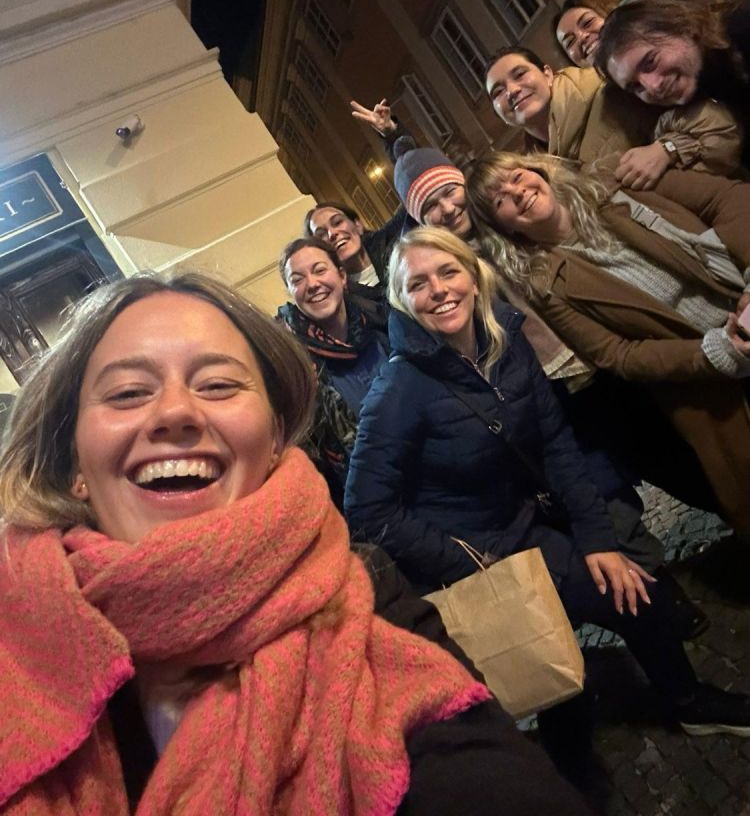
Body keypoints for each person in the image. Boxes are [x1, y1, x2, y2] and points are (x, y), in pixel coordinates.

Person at [0, 271, 596, 816]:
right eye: (128, 393)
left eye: (218, 384)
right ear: (73, 461)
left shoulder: (367, 593)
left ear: (274, 439)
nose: (175, 411)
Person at [344, 227, 750, 740]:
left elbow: (556, 443)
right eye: (418, 283)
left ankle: (687, 704)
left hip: (522, 522)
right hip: (471, 550)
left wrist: (598, 540)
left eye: (448, 271)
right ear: (403, 300)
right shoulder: (399, 388)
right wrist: (465, 560)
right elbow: (366, 510)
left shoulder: (505, 341)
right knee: (533, 665)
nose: (439, 289)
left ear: (473, 274)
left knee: (636, 595)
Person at [466, 150, 750, 530]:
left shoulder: (613, 179)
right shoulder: (545, 284)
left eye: (517, 176)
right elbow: (616, 354)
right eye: (500, 199)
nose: (517, 192)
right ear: (502, 227)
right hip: (709, 372)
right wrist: (714, 352)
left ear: (536, 171)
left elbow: (726, 199)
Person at [486, 45, 742, 190]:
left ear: (547, 74)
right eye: (498, 92)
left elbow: (717, 123)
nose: (512, 91)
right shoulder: (532, 173)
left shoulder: (608, 92)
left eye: (519, 74)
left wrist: (668, 149)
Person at [553, 0, 744, 187]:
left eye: (650, 61)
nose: (653, 86)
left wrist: (669, 148)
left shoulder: (738, 28)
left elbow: (721, 128)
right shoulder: (625, 100)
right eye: (635, 86)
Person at [277, 237, 389, 507]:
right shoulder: (292, 369)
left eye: (319, 270)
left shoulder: (384, 322)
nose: (312, 284)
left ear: (341, 276)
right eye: (297, 279)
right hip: (368, 503)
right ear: (291, 292)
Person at [304, 200, 405, 290]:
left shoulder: (394, 238)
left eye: (337, 222)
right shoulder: (340, 296)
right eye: (321, 235)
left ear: (358, 225)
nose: (332, 234)